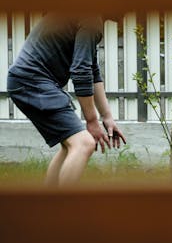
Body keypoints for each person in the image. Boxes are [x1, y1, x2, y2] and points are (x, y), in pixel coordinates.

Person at [7, 12, 126, 187]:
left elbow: (92, 70)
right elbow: (80, 71)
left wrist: (106, 116)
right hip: (32, 81)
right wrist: (92, 121)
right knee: (84, 143)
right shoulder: (91, 20)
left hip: (27, 80)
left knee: (70, 145)